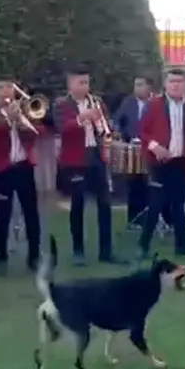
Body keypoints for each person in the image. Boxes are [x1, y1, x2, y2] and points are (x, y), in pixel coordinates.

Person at [137, 68, 185, 258]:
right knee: (156, 204)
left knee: (179, 205)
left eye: (179, 81)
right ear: (165, 84)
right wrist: (155, 147)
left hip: (181, 162)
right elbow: (141, 131)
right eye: (172, 81)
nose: (176, 85)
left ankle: (182, 246)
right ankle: (142, 246)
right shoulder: (154, 105)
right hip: (159, 162)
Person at [53, 63, 121, 265]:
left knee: (105, 205)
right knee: (78, 205)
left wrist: (107, 129)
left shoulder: (97, 101)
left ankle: (106, 251)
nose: (85, 87)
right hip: (75, 160)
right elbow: (62, 128)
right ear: (70, 84)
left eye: (87, 82)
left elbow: (107, 124)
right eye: (80, 82)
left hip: (96, 155)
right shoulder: (61, 104)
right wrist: (83, 118)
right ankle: (78, 251)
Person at [0, 78, 43, 275]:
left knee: (31, 213)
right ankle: (2, 256)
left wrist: (20, 121)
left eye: (9, 87)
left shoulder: (25, 109)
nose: (5, 92)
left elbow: (37, 133)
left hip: (23, 166)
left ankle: (34, 257)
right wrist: (7, 121)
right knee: (3, 214)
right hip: (2, 169)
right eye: (1, 88)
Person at [113, 76, 154, 226]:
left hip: (151, 149)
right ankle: (134, 218)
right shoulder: (128, 102)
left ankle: (150, 218)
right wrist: (117, 132)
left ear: (149, 87)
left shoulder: (156, 102)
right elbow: (117, 120)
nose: (136, 88)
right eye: (135, 85)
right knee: (133, 184)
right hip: (132, 150)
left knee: (149, 185)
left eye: (140, 85)